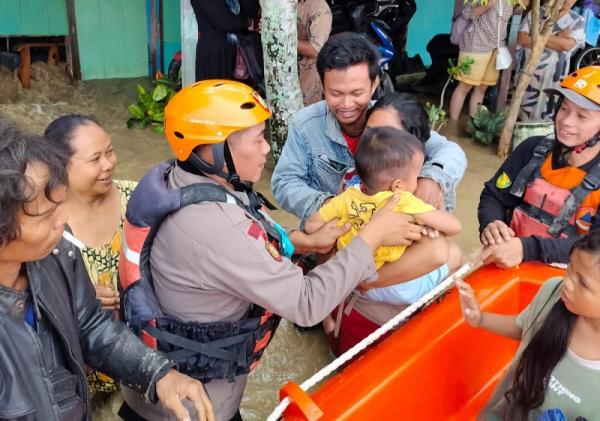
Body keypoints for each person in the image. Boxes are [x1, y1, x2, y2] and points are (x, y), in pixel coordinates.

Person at [118, 80, 423, 421]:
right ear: (214, 151)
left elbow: (246, 239)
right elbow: (306, 304)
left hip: (153, 388)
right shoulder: (216, 228)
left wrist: (302, 242)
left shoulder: (179, 178)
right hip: (192, 410)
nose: (267, 149)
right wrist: (374, 235)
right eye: (258, 139)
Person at [0, 118, 214, 421]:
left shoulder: (58, 255)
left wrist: (158, 374)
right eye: (46, 214)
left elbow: (90, 325)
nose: (62, 221)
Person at [271, 32, 467, 225]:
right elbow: (285, 181)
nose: (346, 104)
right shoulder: (306, 124)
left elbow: (451, 151)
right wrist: (333, 206)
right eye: (336, 93)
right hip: (335, 231)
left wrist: (432, 179)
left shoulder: (388, 118)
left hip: (394, 230)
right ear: (323, 86)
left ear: (374, 85)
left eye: (357, 93)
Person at [305, 127, 461, 309]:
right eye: (416, 176)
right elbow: (454, 227)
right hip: (390, 286)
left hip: (350, 271)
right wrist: (434, 213)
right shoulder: (401, 199)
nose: (418, 181)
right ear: (397, 185)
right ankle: (433, 311)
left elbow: (311, 225)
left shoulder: (348, 196)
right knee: (455, 255)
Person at [456, 230, 600, 420]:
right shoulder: (554, 292)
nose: (568, 283)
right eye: (570, 267)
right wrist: (480, 319)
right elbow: (528, 327)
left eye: (582, 283)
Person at [43, 114, 136, 394]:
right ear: (60, 166)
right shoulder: (44, 226)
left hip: (138, 367)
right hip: (78, 381)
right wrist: (76, 298)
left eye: (109, 152)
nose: (108, 164)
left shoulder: (138, 202)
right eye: (95, 159)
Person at [478, 66, 600, 268]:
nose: (566, 121)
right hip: (507, 263)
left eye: (582, 116)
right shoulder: (532, 149)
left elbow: (595, 247)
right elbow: (494, 195)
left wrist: (527, 249)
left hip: (567, 281)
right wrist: (491, 223)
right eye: (564, 108)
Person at [516, 0, 585, 121]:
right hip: (528, 73)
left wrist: (537, 36)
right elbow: (522, 39)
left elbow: (566, 45)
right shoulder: (537, 13)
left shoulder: (578, 21)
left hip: (554, 78)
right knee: (521, 109)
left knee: (547, 112)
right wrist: (558, 37)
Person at [449, 0, 514, 121]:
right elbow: (467, 13)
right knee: (465, 85)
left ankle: (474, 122)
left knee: (482, 88)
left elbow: (518, 10)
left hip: (496, 46)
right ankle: (453, 122)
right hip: (476, 43)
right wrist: (488, 5)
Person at [190, 0, 260, 81]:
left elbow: (253, 11)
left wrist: (245, 20)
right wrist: (245, 21)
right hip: (216, 53)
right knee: (218, 90)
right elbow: (226, 23)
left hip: (240, 51)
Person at [297, 0, 332, 105]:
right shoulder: (284, 4)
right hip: (286, 73)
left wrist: (284, 37)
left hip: (309, 75)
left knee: (306, 114)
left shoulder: (319, 7)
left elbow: (316, 50)